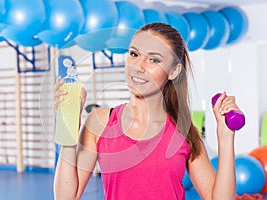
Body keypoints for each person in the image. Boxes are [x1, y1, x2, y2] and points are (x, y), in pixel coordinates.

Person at [53, 22, 241, 200]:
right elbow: (66, 196)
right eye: (134, 54)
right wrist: (68, 125)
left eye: (153, 60)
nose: (138, 67)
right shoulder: (100, 122)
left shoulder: (184, 131)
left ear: (174, 71)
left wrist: (225, 137)